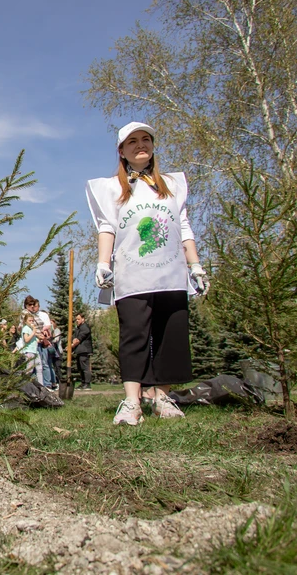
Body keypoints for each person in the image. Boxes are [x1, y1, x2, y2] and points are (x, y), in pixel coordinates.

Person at [86, 121, 209, 426]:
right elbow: (107, 227)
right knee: (135, 334)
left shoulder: (172, 184)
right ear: (122, 151)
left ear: (153, 146)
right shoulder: (112, 187)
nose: (140, 145)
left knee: (171, 334)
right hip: (132, 274)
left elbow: (183, 226)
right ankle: (132, 402)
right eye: (132, 142)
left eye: (145, 139)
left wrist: (195, 265)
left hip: (170, 273)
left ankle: (163, 398)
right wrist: (103, 263)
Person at [14, 311, 41, 381]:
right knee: (29, 370)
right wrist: (34, 332)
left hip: (35, 350)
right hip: (29, 351)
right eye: (30, 320)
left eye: (32, 320)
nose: (31, 322)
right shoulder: (25, 328)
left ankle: (41, 386)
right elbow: (26, 340)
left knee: (39, 369)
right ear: (25, 321)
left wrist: (39, 338)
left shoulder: (31, 329)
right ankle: (22, 381)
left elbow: (34, 340)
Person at [71, 312, 93, 390]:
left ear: (83, 319)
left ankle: (87, 384)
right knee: (80, 367)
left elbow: (78, 339)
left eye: (78, 319)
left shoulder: (85, 328)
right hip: (79, 351)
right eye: (76, 319)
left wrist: (71, 346)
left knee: (85, 367)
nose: (77, 321)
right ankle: (83, 382)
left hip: (84, 350)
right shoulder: (78, 328)